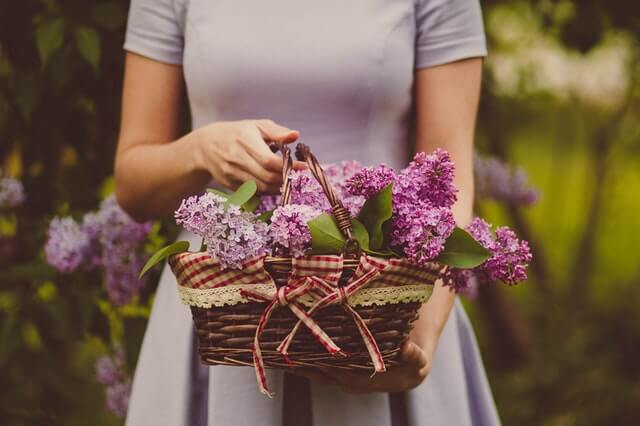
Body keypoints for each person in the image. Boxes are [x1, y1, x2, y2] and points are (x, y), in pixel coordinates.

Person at [114, 0, 500, 425]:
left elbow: (449, 183)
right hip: (221, 309)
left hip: (384, 306)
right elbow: (134, 186)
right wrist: (200, 150)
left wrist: (418, 342)